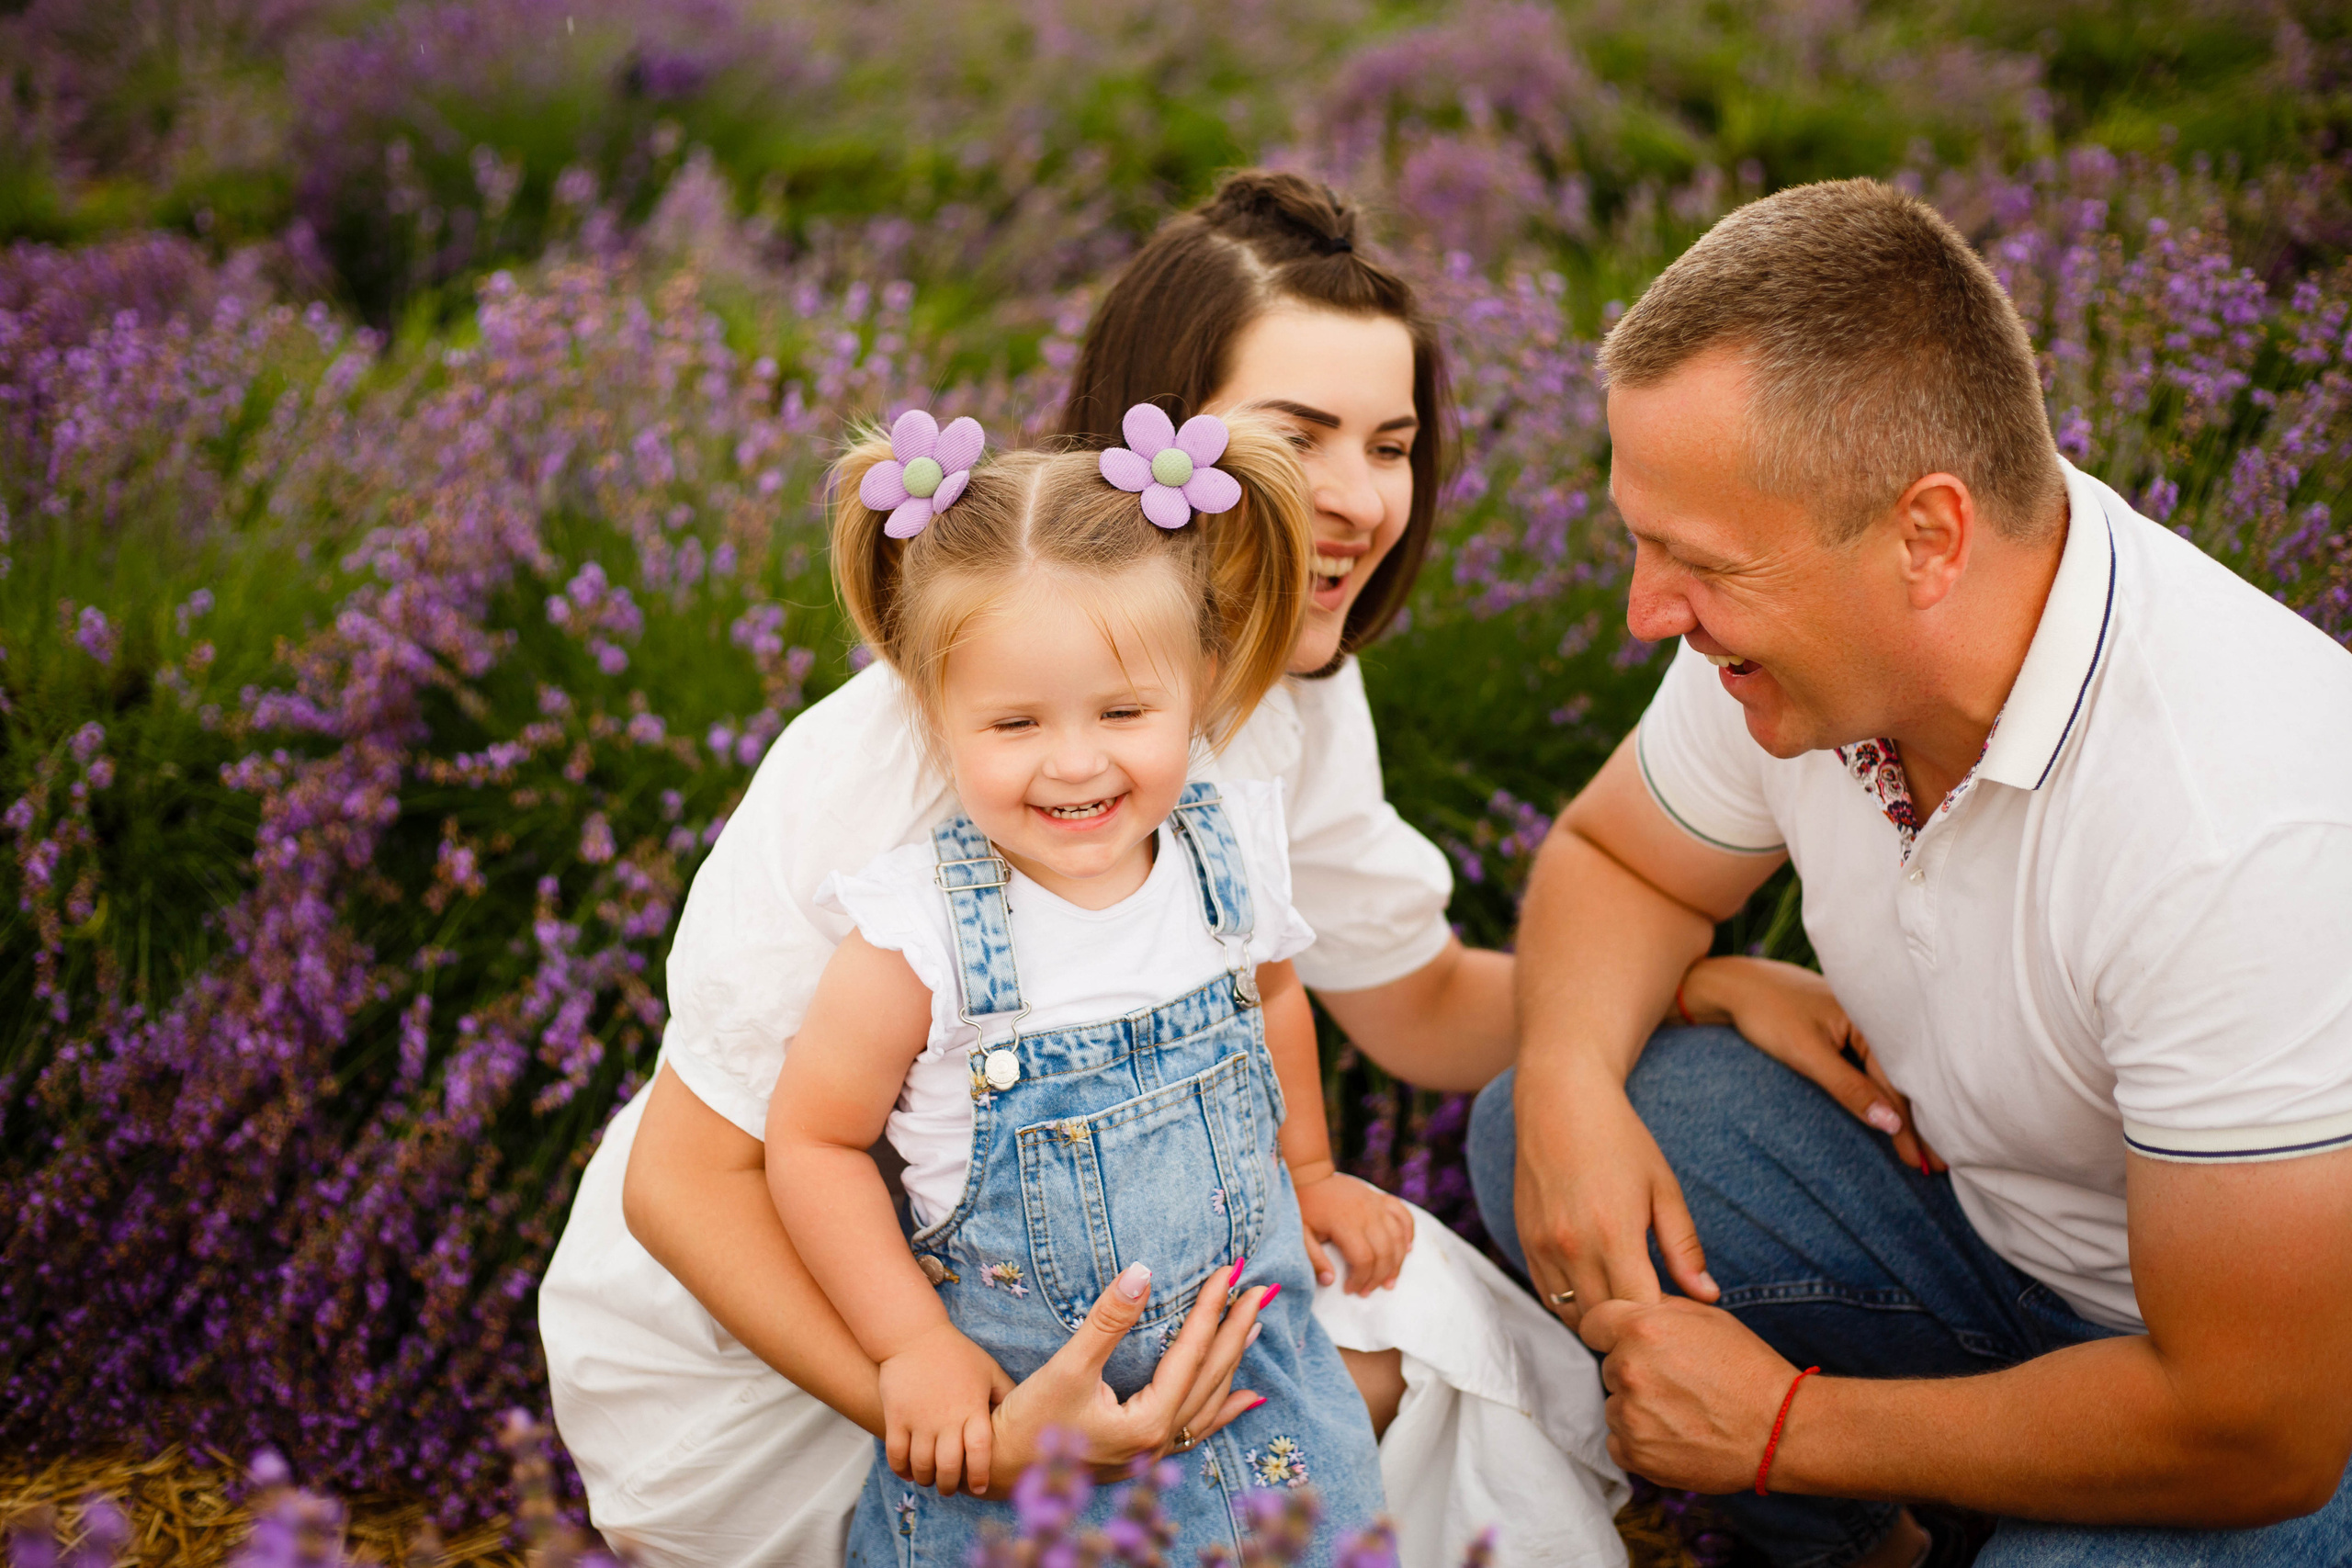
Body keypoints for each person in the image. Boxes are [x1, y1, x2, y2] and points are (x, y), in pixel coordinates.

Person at [540, 172, 1642, 1567]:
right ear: (1166, 446)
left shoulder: (1290, 696)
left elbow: (1413, 998)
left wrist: (1685, 987)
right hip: (795, 1351)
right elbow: (693, 1180)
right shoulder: (902, 751)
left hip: (1103, 1290)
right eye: (1303, 435)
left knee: (1440, 1354)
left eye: (1395, 441)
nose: (1359, 496)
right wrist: (953, 1408)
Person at [1467, 177, 2352, 1568]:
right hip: (2003, 1248)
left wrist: (1778, 1428)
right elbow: (1616, 861)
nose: (1647, 613)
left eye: (1694, 563)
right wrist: (1574, 1086)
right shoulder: (1793, 647)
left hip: (2266, 1389)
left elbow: (2261, 1419)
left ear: (1926, 535)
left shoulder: (2237, 823)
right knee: (1544, 1121)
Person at [774, 402, 1404, 1560]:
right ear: (934, 712)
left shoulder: (1225, 858)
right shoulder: (917, 938)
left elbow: (1272, 1002)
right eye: (1014, 722)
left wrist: (1307, 1170)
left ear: (1201, 684)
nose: (1075, 761)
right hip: (1026, 1439)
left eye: (1122, 712)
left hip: (1254, 1399)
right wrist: (909, 1345)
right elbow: (811, 1144)